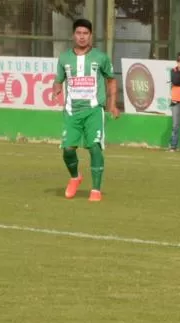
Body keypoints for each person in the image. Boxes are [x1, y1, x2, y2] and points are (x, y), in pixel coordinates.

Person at [52, 18, 119, 202]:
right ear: (73, 35)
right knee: (67, 150)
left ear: (91, 36)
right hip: (71, 111)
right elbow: (58, 79)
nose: (82, 37)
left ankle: (96, 190)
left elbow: (111, 79)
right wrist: (56, 88)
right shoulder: (64, 58)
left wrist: (112, 104)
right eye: (79, 33)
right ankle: (75, 177)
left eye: (85, 34)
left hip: (93, 110)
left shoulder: (100, 57)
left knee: (95, 147)